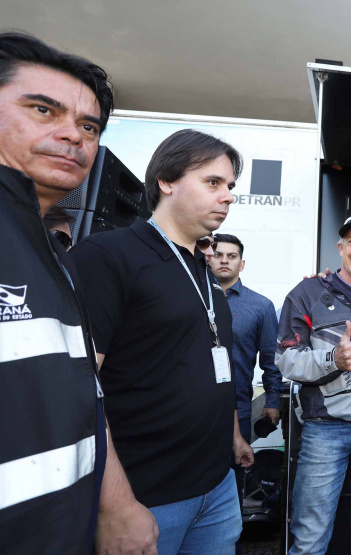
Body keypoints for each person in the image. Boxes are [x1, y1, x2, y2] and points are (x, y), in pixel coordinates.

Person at [0, 32, 159, 554]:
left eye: (88, 126)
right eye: (43, 110)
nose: (73, 135)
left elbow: (81, 395)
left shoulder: (56, 258)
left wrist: (116, 504)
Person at [70, 129, 254, 554]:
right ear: (166, 181)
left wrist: (233, 436)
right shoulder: (109, 256)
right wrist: (114, 506)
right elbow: (77, 391)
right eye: (213, 183)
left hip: (218, 485)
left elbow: (209, 361)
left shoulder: (204, 272)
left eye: (230, 186)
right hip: (146, 496)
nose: (227, 196)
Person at [277, 213, 351, 554]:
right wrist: (333, 359)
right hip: (325, 429)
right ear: (340, 248)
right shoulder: (306, 293)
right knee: (310, 538)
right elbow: (286, 359)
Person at [210, 233, 283, 526]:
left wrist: (273, 402)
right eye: (219, 254)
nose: (224, 260)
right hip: (189, 403)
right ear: (208, 257)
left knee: (231, 483)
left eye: (232, 256)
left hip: (237, 407)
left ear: (242, 263)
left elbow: (271, 360)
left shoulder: (260, 306)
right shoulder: (194, 296)